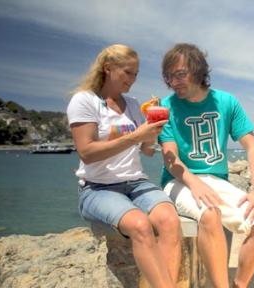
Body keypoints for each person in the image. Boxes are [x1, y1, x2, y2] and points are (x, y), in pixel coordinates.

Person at [159, 43, 254, 288]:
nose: (174, 82)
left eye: (180, 74)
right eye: (169, 77)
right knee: (210, 215)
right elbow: (170, 157)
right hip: (178, 179)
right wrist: (194, 182)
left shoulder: (226, 102)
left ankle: (239, 284)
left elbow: (252, 146)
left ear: (199, 71)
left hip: (217, 181)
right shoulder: (165, 107)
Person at [66, 44, 181, 288]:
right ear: (108, 68)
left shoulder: (133, 104)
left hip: (136, 183)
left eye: (136, 74)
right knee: (139, 225)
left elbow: (147, 151)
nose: (133, 80)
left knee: (170, 221)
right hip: (97, 188)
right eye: (128, 72)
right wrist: (135, 136)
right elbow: (87, 153)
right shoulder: (85, 101)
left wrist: (153, 128)